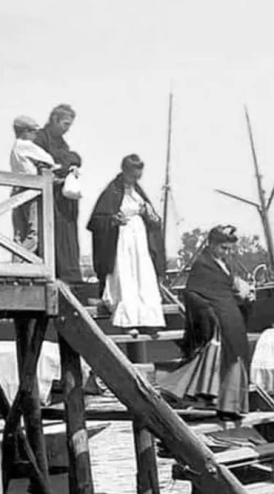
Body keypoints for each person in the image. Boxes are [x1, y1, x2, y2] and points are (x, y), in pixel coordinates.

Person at [158, 225, 253, 420]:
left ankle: (234, 406)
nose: (227, 252)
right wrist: (208, 313)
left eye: (229, 249)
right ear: (211, 244)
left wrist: (244, 293)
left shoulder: (225, 264)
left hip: (232, 318)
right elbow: (193, 293)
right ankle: (223, 406)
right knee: (223, 361)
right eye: (223, 248)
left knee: (236, 359)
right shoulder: (202, 264)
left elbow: (229, 287)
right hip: (218, 320)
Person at [87, 154, 165, 334]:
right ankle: (128, 321)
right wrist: (113, 219)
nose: (136, 179)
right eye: (133, 175)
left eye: (138, 176)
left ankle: (148, 320)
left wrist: (150, 216)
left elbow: (152, 218)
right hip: (121, 240)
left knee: (142, 276)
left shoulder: (138, 193)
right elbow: (97, 220)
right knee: (126, 277)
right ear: (125, 171)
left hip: (140, 240)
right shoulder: (112, 191)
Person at [33, 104, 82, 282]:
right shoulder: (40, 138)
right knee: (50, 233)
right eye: (65, 124)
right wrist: (62, 168)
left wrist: (72, 166)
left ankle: (69, 272)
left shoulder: (61, 142)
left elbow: (70, 158)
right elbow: (40, 164)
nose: (67, 129)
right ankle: (54, 271)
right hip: (47, 196)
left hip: (62, 196)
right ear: (54, 120)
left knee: (67, 234)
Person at [9, 114, 57, 255]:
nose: (35, 135)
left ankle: (15, 266)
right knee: (33, 234)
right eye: (33, 132)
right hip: (29, 190)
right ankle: (20, 264)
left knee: (19, 233)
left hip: (17, 189)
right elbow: (50, 160)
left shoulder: (15, 147)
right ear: (25, 132)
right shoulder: (26, 145)